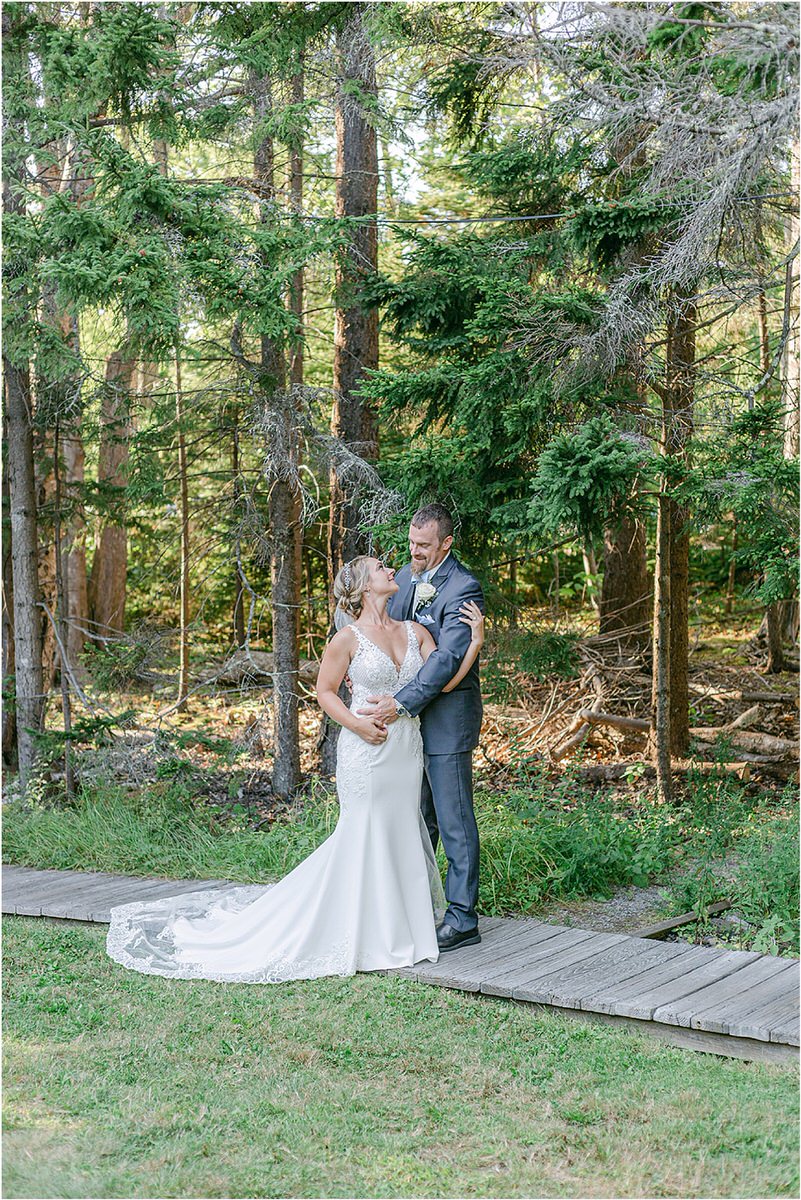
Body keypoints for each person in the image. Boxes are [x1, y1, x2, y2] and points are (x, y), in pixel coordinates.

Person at [105, 555, 484, 984]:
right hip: (366, 752)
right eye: (380, 567)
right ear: (365, 586)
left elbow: (441, 683)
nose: (389, 569)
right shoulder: (346, 639)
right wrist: (357, 724)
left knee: (399, 832)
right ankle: (362, 929)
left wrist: (473, 643)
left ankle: (400, 928)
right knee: (365, 833)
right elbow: (325, 692)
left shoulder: (416, 632)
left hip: (405, 752)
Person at [357, 503, 485, 953]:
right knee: (416, 817)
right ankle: (411, 907)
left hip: (447, 718)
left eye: (424, 545)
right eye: (411, 542)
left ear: (446, 543)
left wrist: (400, 702)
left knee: (453, 818)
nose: (414, 552)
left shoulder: (464, 588)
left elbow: (446, 660)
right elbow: (384, 630)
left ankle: (462, 918)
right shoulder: (406, 580)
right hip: (409, 726)